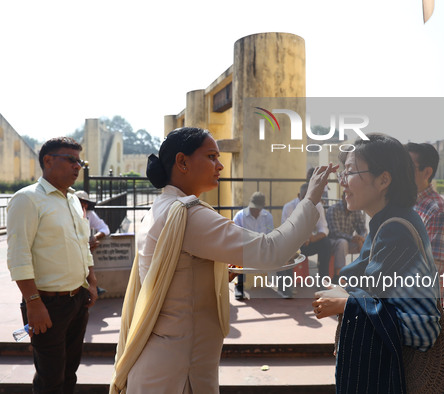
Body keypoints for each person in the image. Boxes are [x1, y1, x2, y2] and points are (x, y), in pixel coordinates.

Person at [110, 127, 337, 394]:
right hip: (179, 371)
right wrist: (310, 200)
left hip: (162, 360)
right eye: (211, 156)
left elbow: (175, 275)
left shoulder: (161, 207)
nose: (219, 165)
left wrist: (213, 272)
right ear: (182, 162)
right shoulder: (189, 215)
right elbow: (271, 251)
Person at [312, 134, 440, 393]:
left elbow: (375, 298)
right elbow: (361, 281)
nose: (343, 182)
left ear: (383, 179)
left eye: (350, 172)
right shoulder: (387, 222)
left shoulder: (396, 229)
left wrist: (344, 303)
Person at [7, 137, 98, 394]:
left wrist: (91, 283)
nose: (77, 166)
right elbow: (18, 255)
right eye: (70, 160)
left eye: (79, 161)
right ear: (48, 160)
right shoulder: (27, 199)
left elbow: (82, 244)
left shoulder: (71, 199)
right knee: (50, 380)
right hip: (47, 305)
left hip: (76, 300)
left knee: (69, 372)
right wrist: (33, 302)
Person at [406, 142, 444, 299]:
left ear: (426, 172)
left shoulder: (438, 211)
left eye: (408, 167)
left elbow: (431, 269)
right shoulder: (408, 204)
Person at [281, 183, 332, 281]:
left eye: (311, 197)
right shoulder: (289, 207)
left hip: (309, 242)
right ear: (299, 196)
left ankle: (323, 281)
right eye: (305, 197)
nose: (308, 200)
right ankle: (288, 285)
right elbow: (286, 231)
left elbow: (324, 229)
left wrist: (313, 238)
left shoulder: (318, 206)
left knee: (326, 243)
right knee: (284, 247)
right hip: (294, 244)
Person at [232, 191, 274, 300]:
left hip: (261, 247)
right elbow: (235, 237)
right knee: (239, 254)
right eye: (254, 208)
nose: (255, 211)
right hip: (244, 247)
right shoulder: (240, 216)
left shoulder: (267, 216)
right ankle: (239, 286)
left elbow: (270, 234)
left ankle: (278, 286)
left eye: (258, 209)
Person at [326, 190, 367, 279]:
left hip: (349, 241)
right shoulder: (333, 209)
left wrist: (361, 239)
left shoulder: (356, 210)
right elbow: (335, 232)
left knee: (367, 243)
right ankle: (338, 275)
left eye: (353, 197)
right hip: (332, 242)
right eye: (348, 196)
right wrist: (353, 238)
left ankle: (364, 273)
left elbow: (363, 229)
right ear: (342, 198)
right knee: (342, 242)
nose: (350, 199)